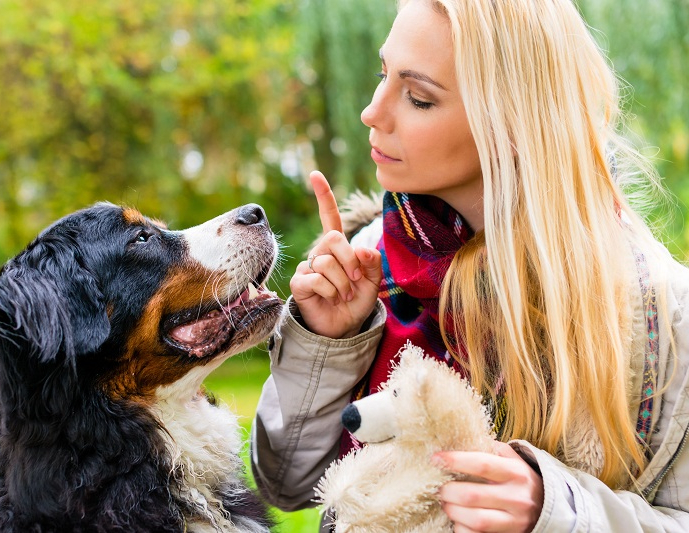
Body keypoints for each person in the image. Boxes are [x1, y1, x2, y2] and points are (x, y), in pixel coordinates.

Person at [250, 0, 689, 531]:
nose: (372, 111)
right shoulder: (369, 261)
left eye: (417, 97)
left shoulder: (661, 314)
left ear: (510, 124)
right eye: (382, 75)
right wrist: (326, 344)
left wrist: (555, 511)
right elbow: (288, 486)